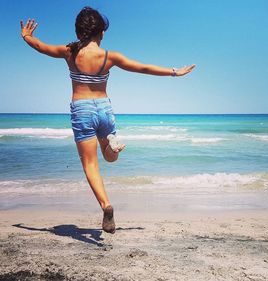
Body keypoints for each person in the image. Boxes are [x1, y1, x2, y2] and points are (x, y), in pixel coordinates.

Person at [20, 6, 195, 234]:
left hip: (82, 110)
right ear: (100, 31)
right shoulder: (110, 56)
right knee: (110, 159)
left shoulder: (69, 52)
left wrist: (26, 36)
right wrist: (174, 71)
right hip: (104, 108)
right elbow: (143, 67)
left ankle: (106, 205)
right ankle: (112, 144)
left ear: (80, 30)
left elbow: (41, 47)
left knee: (91, 164)